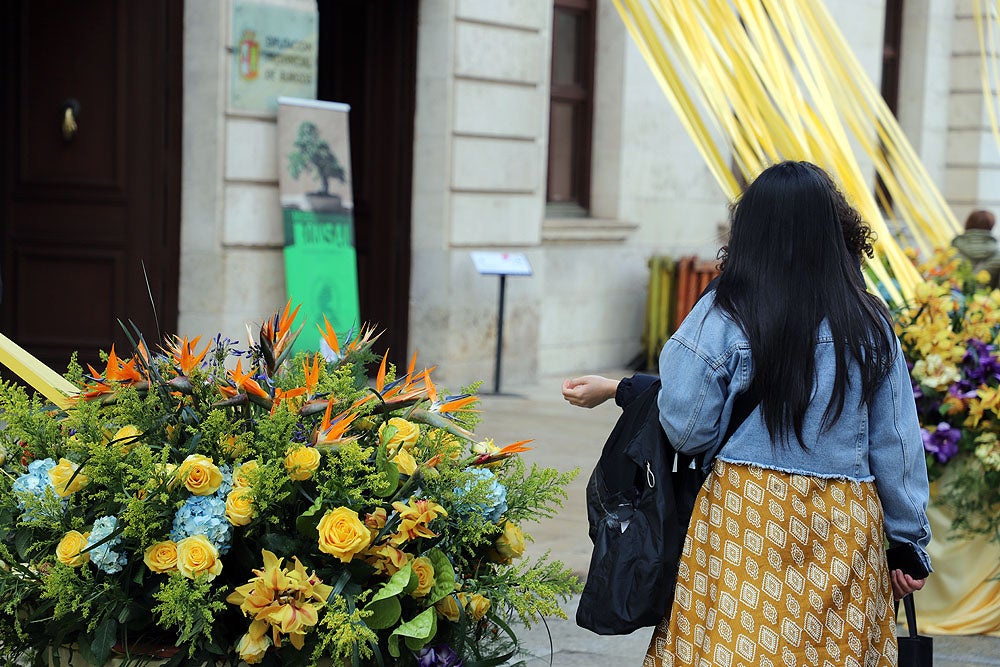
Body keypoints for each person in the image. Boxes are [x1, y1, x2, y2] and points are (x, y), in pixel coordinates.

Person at [564, 161, 930, 666]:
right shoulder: (869, 323)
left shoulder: (724, 312)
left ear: (750, 230)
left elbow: (688, 430)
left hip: (742, 514)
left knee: (729, 648)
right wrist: (908, 541)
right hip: (844, 522)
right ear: (836, 229)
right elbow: (898, 444)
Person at [952, 209, 1000, 288]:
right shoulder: (997, 256)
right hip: (987, 299)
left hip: (951, 299)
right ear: (991, 226)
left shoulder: (951, 251)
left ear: (967, 224)